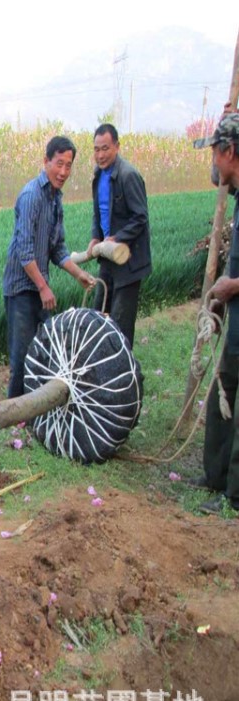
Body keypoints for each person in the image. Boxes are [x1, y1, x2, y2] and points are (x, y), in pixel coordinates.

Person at [2, 135, 96, 399]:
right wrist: (44, 287)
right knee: (21, 356)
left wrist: (79, 274)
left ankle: (37, 408)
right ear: (46, 161)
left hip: (39, 286)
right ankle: (15, 414)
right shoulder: (32, 195)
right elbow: (24, 251)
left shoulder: (55, 199)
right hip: (22, 289)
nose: (63, 171)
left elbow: (57, 249)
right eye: (59, 164)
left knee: (45, 349)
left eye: (68, 166)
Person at [192, 111, 239, 515]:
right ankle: (214, 475)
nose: (212, 163)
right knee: (222, 397)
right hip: (236, 318)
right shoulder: (237, 195)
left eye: (214, 153)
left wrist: (232, 286)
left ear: (229, 151)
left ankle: (235, 495)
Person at [86, 123, 151, 349]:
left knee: (121, 324)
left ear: (117, 147)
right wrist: (97, 237)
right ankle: (99, 367)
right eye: (96, 149)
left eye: (105, 148)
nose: (100, 155)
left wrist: (117, 238)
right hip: (107, 258)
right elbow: (98, 213)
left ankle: (122, 375)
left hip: (127, 262)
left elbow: (140, 217)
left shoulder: (128, 175)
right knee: (98, 315)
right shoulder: (98, 176)